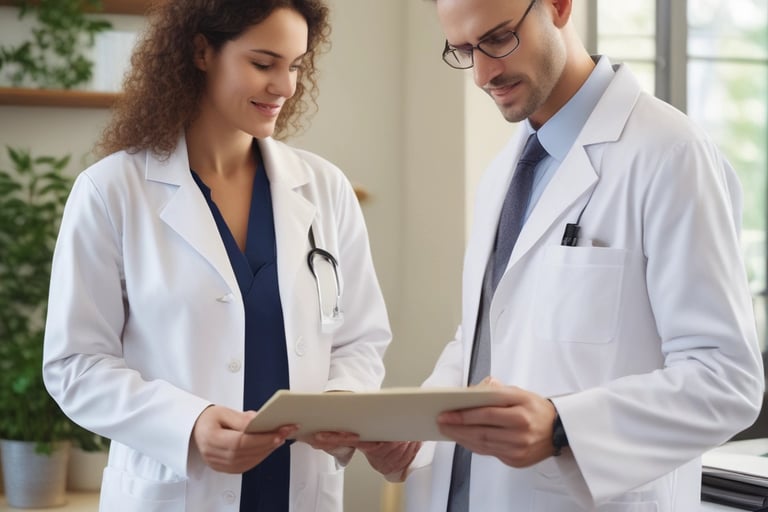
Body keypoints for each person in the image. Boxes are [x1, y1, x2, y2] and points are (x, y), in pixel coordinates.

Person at [391, 0, 766, 511]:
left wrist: (563, 427)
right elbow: (482, 336)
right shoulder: (506, 168)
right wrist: (415, 434)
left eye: (499, 39)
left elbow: (726, 378)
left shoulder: (671, 155)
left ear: (560, 7)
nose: (482, 74)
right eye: (463, 50)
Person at [41, 1, 393, 511]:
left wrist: (341, 401)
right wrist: (191, 423)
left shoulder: (324, 188)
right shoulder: (112, 191)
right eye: (263, 63)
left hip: (298, 489)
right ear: (202, 51)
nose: (287, 86)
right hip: (179, 488)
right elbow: (75, 364)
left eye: (295, 66)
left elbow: (359, 339)